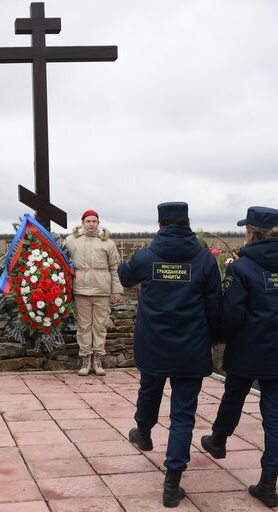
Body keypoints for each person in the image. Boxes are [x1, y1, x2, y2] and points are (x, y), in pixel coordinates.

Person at [117, 202, 221, 508]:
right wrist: (214, 338)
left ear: (160, 225)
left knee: (150, 389)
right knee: (183, 413)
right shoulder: (204, 259)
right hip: (191, 346)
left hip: (153, 344)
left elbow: (124, 277)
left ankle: (144, 433)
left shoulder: (146, 256)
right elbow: (215, 306)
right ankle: (172, 480)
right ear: (188, 223)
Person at [200, 207, 278, 508]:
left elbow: (232, 314)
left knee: (233, 397)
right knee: (275, 416)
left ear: (252, 232)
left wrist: (219, 335)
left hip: (248, 348)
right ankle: (269, 483)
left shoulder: (241, 268)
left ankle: (218, 441)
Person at [64, 209, 123, 377]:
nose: (91, 224)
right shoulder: (71, 241)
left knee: (100, 326)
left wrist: (116, 290)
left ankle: (98, 359)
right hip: (81, 290)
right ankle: (85, 359)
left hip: (101, 290)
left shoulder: (108, 243)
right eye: (88, 221)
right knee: (84, 327)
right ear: (82, 222)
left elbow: (114, 269)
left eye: (94, 221)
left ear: (98, 223)